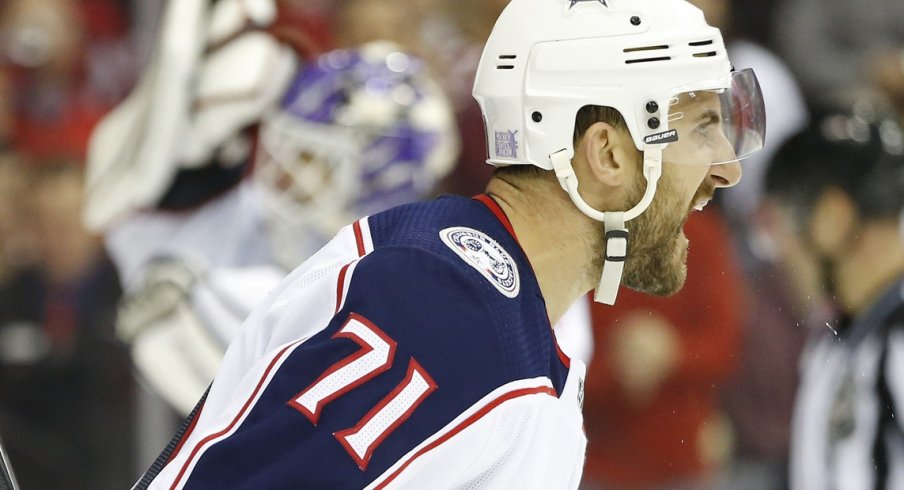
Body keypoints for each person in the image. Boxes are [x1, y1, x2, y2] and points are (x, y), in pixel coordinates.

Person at [134, 0, 765, 487]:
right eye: (702, 126)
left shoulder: (480, 302)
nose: (726, 167)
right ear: (606, 153)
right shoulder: (447, 320)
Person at [762, 102, 904, 489]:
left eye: (786, 222)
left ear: (833, 217)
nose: (781, 250)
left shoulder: (894, 347)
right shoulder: (837, 340)